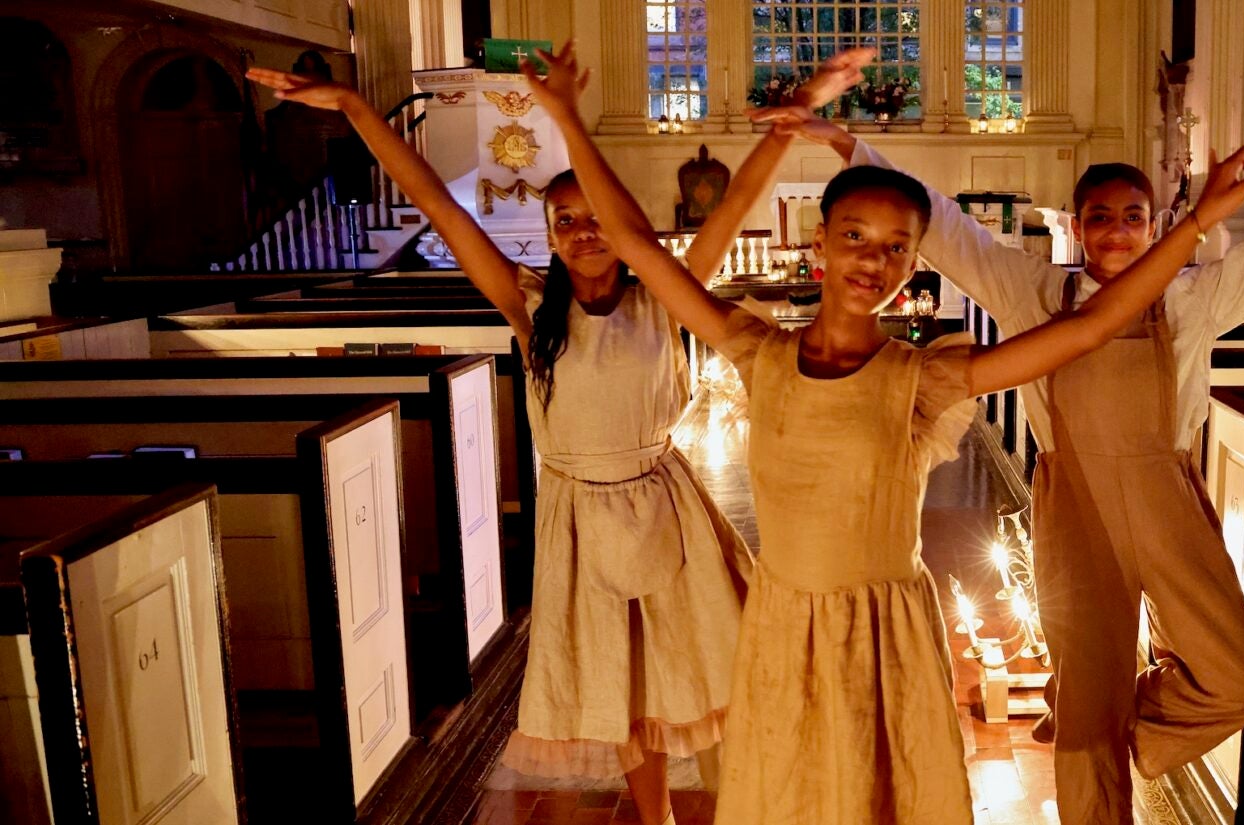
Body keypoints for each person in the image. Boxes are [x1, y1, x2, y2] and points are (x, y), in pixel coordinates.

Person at [519, 41, 1244, 825]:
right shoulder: (755, 349)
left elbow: (1088, 328)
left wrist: (1194, 228)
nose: (873, 261)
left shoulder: (925, 379)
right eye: (854, 237)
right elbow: (642, 246)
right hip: (783, 630)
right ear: (818, 244)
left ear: (917, 263)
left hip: (890, 638)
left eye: (897, 248)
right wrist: (568, 117)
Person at [752, 104, 1244, 824]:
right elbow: (944, 226)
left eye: (1132, 216)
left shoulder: (1193, 299)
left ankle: (1120, 728)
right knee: (1085, 708)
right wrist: (842, 141)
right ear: (1077, 227)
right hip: (1072, 499)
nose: (1115, 231)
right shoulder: (1035, 291)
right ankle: (1088, 738)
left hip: (1165, 495)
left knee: (1237, 682)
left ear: (1155, 224)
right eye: (1100, 217)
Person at [246, 58, 864, 825]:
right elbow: (440, 208)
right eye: (564, 220)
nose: (582, 231)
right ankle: (659, 818)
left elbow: (735, 204)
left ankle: (748, 806)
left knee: (713, 665)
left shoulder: (662, 297)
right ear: (548, 237)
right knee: (626, 687)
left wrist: (795, 119)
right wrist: (354, 108)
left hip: (667, 506)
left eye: (594, 213)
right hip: (575, 518)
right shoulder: (529, 305)